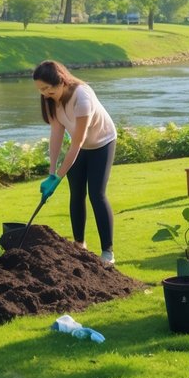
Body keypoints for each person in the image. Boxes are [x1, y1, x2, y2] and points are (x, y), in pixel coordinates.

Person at [33, 60, 118, 264]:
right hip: (79, 146)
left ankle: (108, 252)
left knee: (97, 194)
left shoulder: (82, 97)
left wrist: (59, 176)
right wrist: (52, 172)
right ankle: (79, 245)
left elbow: (78, 142)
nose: (44, 94)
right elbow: (56, 135)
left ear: (61, 82)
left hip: (101, 144)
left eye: (47, 89)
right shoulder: (50, 99)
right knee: (77, 193)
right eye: (40, 89)